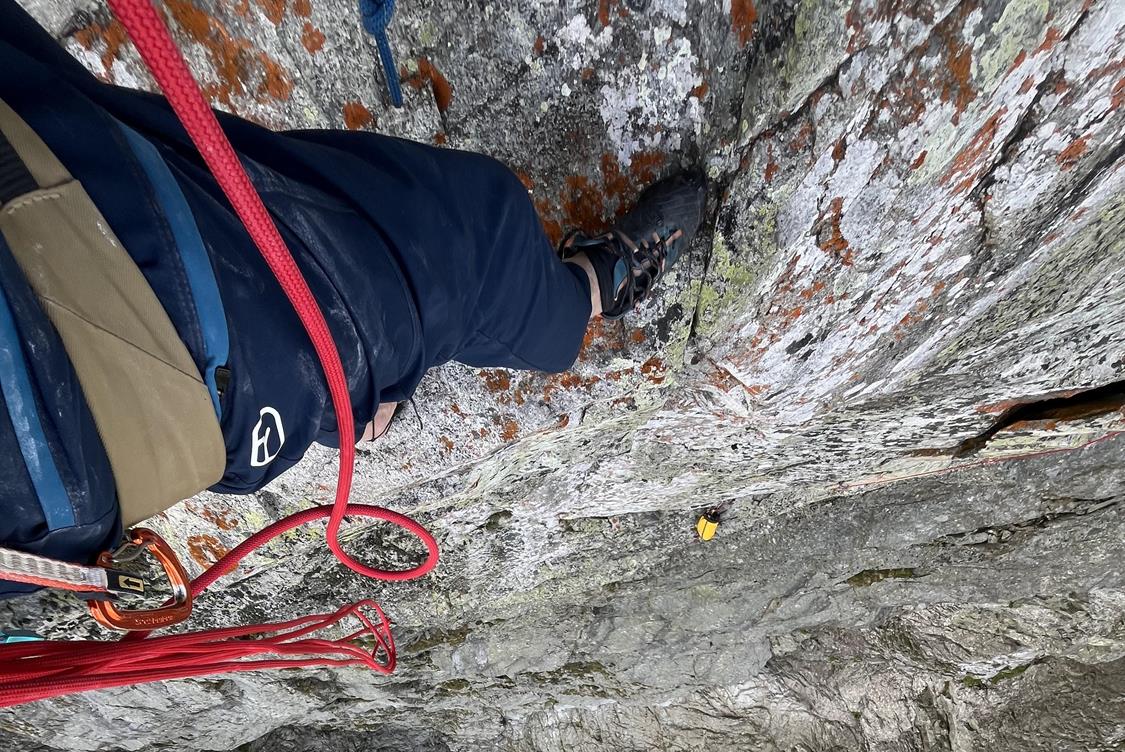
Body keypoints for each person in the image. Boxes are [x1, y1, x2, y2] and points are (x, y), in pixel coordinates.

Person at [0, 0, 705, 581]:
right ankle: (586, 292)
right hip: (93, 359)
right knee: (475, 241)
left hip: (64, 393)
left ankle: (353, 396)